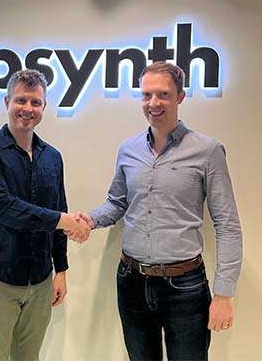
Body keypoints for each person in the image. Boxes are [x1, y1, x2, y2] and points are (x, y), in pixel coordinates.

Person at [88, 62, 243, 360]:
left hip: (184, 287)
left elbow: (227, 224)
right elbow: (117, 203)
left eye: (163, 94)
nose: (153, 103)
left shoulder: (208, 151)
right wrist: (88, 220)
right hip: (132, 281)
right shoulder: (128, 149)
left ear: (180, 97)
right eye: (146, 95)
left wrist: (224, 293)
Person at [0, 69, 90, 361]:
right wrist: (64, 220)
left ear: (44, 107)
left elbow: (59, 207)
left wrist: (61, 270)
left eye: (36, 102)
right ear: (7, 102)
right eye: (21, 100)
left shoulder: (52, 157)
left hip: (40, 281)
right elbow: (3, 208)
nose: (28, 108)